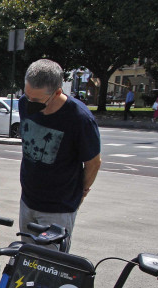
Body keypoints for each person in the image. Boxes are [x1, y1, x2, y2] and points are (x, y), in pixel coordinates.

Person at [18, 59, 102, 252]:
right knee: (26, 262)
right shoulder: (25, 104)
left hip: (58, 208)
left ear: (57, 92)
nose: (30, 104)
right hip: (28, 200)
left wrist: (82, 193)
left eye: (37, 101)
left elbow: (93, 162)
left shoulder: (80, 118)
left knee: (50, 268)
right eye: (27, 95)